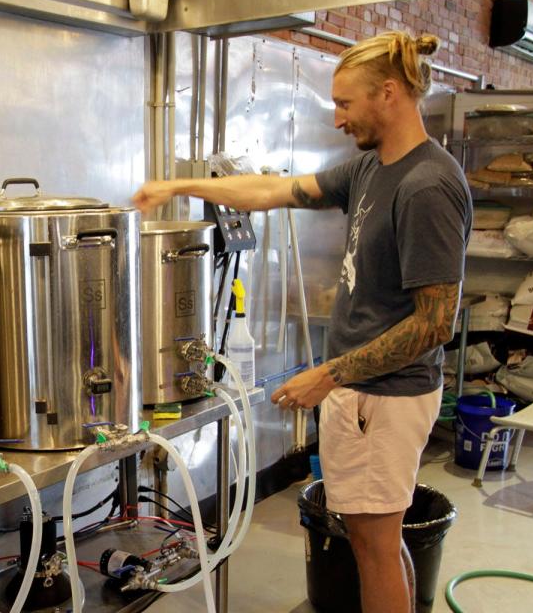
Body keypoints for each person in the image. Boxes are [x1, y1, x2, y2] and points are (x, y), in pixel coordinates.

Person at [132, 31, 471, 613]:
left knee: (374, 547)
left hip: (384, 399)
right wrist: (181, 185)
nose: (337, 118)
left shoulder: (426, 186)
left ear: (388, 93)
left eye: (345, 103)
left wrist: (330, 374)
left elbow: (434, 323)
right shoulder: (373, 169)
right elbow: (274, 189)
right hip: (364, 395)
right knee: (376, 542)